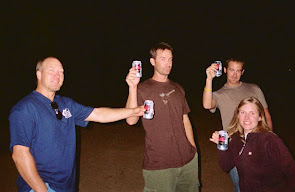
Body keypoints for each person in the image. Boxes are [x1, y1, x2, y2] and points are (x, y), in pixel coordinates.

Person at [9, 57, 145, 192]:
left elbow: (99, 114)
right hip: (42, 186)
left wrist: (133, 111)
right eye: (51, 70)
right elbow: (20, 155)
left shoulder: (66, 104)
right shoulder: (25, 109)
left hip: (66, 186)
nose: (57, 75)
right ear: (39, 74)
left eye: (61, 72)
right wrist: (42, 190)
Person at [125, 42, 199, 192]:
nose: (169, 63)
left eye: (171, 59)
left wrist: (193, 149)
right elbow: (131, 120)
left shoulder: (178, 88)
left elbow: (185, 120)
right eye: (163, 59)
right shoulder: (142, 89)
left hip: (188, 161)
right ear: (153, 62)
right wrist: (132, 87)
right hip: (159, 163)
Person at [202, 57, 273, 191]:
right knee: (241, 187)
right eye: (231, 70)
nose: (234, 74)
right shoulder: (219, 94)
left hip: (258, 145)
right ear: (224, 70)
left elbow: (266, 116)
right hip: (236, 149)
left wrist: (270, 141)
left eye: (238, 71)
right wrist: (209, 79)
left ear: (243, 72)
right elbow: (207, 105)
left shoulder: (254, 88)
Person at [209, 97, 295, 191]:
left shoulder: (270, 141)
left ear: (260, 117)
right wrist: (222, 145)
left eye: (252, 113)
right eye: (242, 112)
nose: (246, 117)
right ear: (237, 115)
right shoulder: (237, 138)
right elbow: (226, 166)